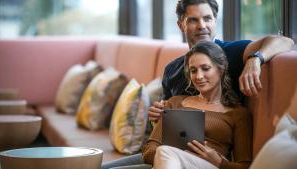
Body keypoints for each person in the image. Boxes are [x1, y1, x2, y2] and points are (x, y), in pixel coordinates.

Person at [101, 0, 293, 168]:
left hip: (204, 159)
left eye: (207, 18)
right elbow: (165, 129)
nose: (202, 26)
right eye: (193, 20)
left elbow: (285, 41)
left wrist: (255, 59)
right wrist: (157, 117)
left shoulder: (232, 53)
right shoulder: (173, 70)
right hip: (168, 153)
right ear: (180, 24)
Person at [143, 40, 252, 169]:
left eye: (205, 69)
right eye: (193, 71)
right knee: (165, 152)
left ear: (221, 69)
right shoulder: (175, 102)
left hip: (211, 166)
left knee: (165, 151)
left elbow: (246, 166)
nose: (199, 76)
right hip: (168, 161)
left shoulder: (238, 113)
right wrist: (179, 154)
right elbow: (148, 152)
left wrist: (219, 162)